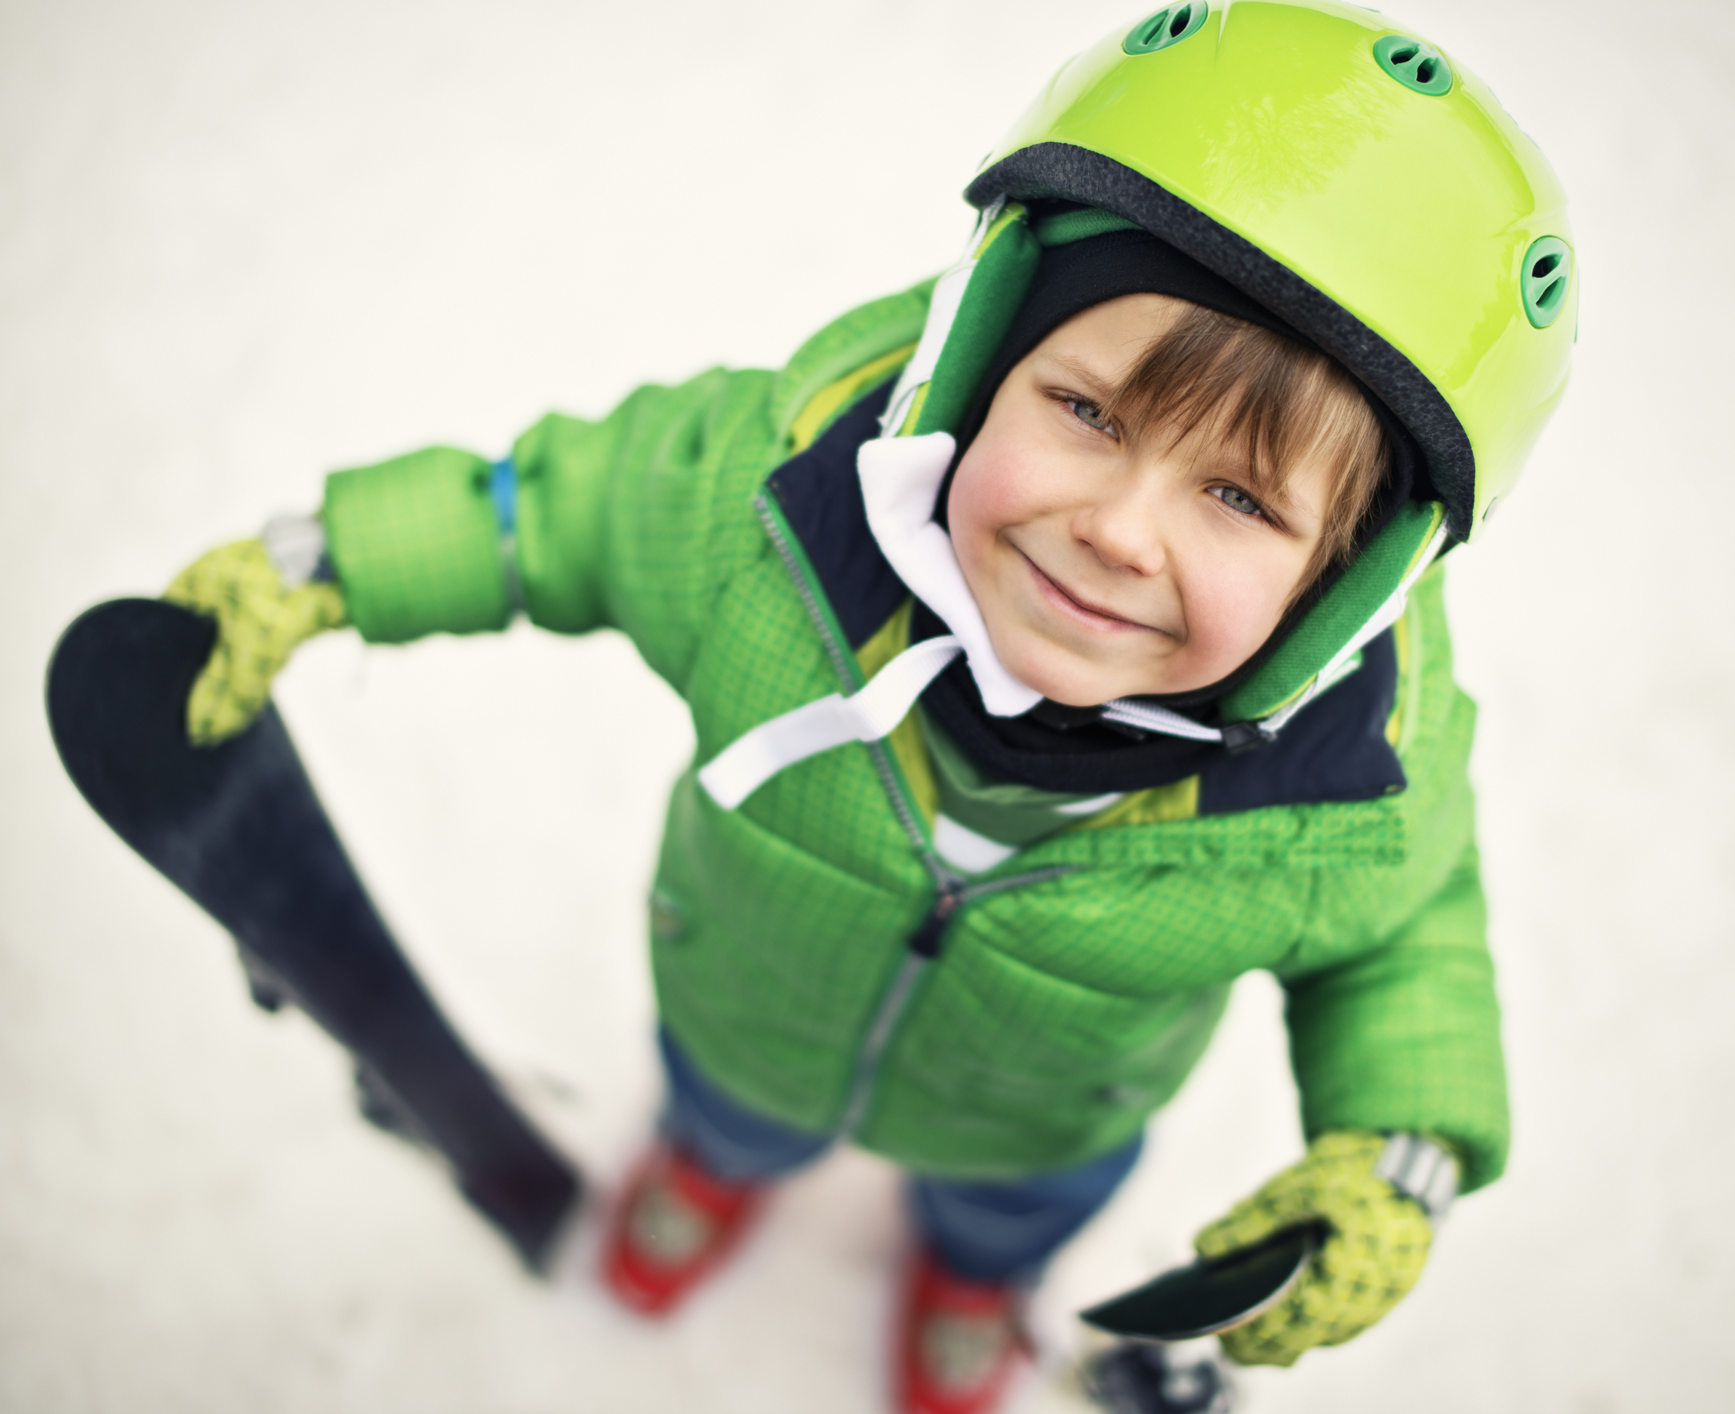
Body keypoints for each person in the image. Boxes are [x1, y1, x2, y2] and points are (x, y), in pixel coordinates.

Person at [154, 4, 1577, 1411]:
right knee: (727, 1114)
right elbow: (557, 508)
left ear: (1346, 582)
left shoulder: (1344, 794)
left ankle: (970, 1279)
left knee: (1006, 1210)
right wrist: (329, 559)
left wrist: (1399, 1147)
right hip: (743, 1003)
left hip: (1040, 1121)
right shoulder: (764, 520)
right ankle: (708, 1177)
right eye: (1086, 412)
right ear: (979, 357)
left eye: (1239, 498)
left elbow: (1409, 944)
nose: (1120, 531)